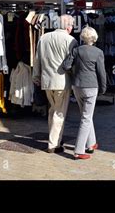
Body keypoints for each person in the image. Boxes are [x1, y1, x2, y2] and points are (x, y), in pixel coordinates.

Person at [33, 15, 78, 153]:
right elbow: (73, 65)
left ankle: (55, 138)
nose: (72, 28)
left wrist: (36, 76)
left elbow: (37, 59)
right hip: (62, 81)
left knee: (53, 110)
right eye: (72, 26)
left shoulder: (44, 38)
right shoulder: (71, 40)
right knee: (59, 112)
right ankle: (53, 144)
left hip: (47, 80)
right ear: (68, 26)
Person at [62, 26, 106, 160]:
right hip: (91, 87)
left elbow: (66, 66)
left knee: (86, 115)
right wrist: (103, 88)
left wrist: (75, 73)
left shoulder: (76, 50)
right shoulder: (98, 52)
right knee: (86, 118)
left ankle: (91, 143)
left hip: (77, 85)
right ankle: (79, 150)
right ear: (94, 38)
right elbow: (101, 73)